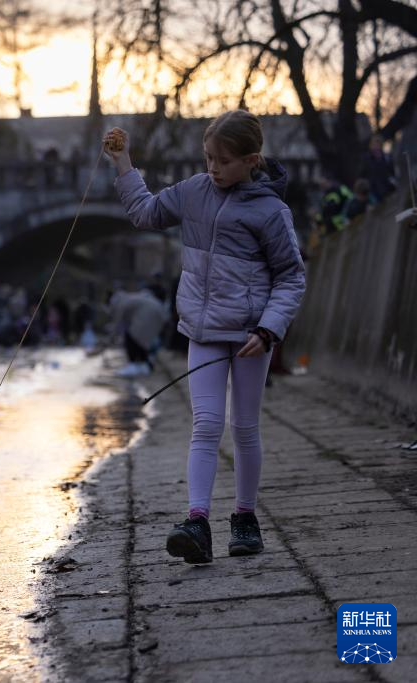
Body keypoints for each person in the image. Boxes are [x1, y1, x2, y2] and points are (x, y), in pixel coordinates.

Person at [104, 110, 306, 564]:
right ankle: (197, 522)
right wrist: (123, 162)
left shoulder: (272, 211)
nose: (213, 168)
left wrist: (269, 329)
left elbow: (291, 277)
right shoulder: (193, 191)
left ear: (251, 160)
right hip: (202, 329)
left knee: (244, 426)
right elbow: (145, 212)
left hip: (252, 335)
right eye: (208, 157)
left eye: (223, 161)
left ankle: (245, 518)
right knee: (206, 423)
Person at [108, 288, 167, 377]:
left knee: (132, 337)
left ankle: (133, 365)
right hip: (158, 312)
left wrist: (111, 338)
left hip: (148, 313)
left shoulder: (121, 302)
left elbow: (117, 322)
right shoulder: (129, 298)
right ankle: (144, 366)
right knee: (142, 341)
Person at [361, 133, 397, 203]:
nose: (376, 147)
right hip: (373, 190)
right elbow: (363, 173)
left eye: (378, 144)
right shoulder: (366, 158)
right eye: (374, 144)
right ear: (371, 145)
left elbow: (392, 172)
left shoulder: (387, 157)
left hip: (387, 188)